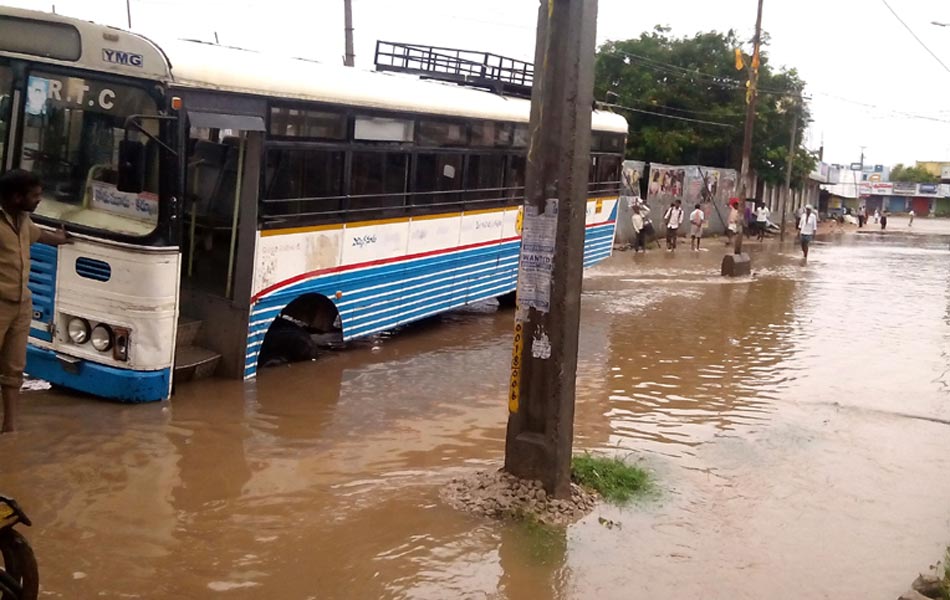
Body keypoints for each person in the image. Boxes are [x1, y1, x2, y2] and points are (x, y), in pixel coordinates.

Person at [0, 170, 69, 433]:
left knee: (14, 369)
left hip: (21, 305)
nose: (39, 200)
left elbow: (40, 236)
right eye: (35, 195)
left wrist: (61, 240)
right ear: (17, 197)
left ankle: (10, 428)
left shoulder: (23, 220)